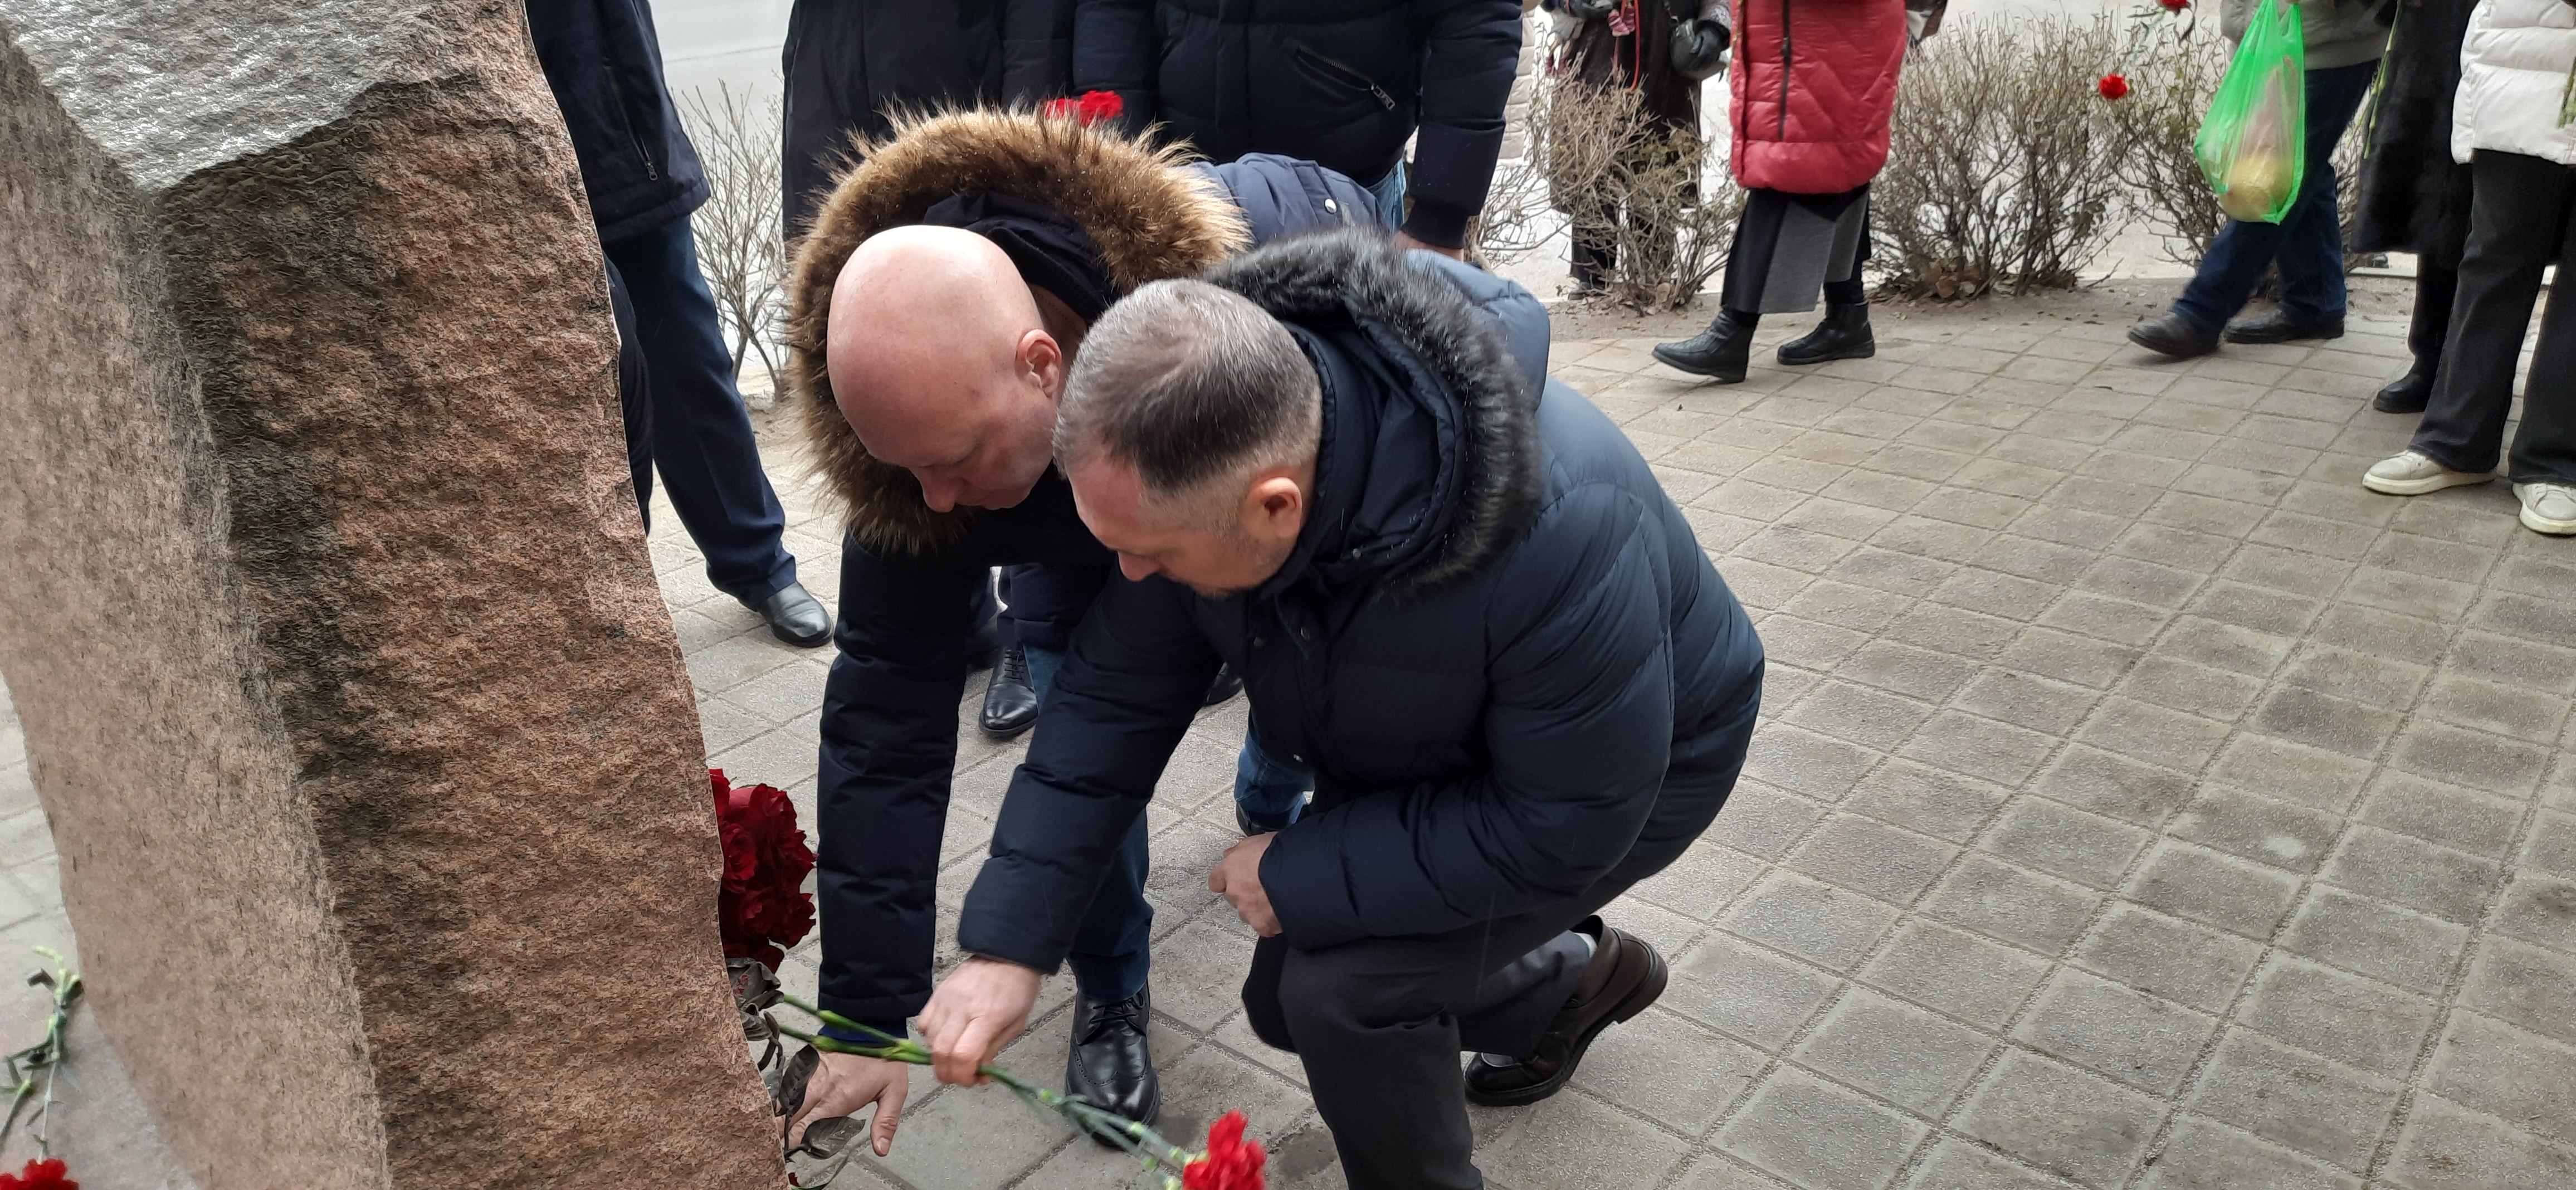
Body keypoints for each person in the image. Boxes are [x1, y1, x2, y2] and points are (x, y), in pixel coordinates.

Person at [918, 231, 1764, 1190]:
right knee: (1283, 996)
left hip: (1638, 768)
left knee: (1341, 994)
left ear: (1275, 507)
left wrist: (1300, 865)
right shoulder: (1200, 463)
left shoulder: (1563, 525)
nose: (1131, 575)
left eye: (1153, 552)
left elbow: (1566, 817)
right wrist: (1010, 945)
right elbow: (1108, 707)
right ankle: (1569, 987)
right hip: (1450, 750)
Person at [776, 109, 1403, 1159]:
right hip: (1061, 508)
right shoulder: (917, 442)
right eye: (907, 470)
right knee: (1080, 712)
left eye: (953, 461)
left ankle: (1276, 775)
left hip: (1242, 477)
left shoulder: (1252, 301)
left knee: (1295, 679)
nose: (935, 504)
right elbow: (887, 721)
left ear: (1041, 363)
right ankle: (1112, 988)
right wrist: (864, 1013)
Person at [525, 0, 830, 647]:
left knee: (690, 365)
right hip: (500, 153)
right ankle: (614, 593)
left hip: (620, 132)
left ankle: (758, 565)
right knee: (574, 398)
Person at [1071, 0, 1524, 259]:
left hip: (1346, 198)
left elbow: (1476, 16)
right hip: (1182, 190)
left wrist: (1439, 221)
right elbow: (1114, 11)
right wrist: (1116, 177)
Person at [2359, 0, 2576, 535]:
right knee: (2493, 258)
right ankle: (2454, 440)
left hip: (2525, 53)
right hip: (2523, 55)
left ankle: (2556, 461)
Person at [1651, 0, 1943, 381]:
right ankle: (1848, 316)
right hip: (1814, 46)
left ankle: (1732, 333)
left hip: (1825, 48)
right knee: (1836, 169)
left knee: (1790, 171)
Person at [2121, 0, 2394, 360]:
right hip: (2269, 35)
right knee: (2301, 170)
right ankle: (2316, 303)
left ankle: (2202, 312)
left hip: (2326, 43)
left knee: (2270, 179)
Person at [781, 0, 1075, 235]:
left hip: (959, 123)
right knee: (833, 281)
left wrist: (1018, 153)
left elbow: (1037, 35)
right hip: (825, 108)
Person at [1548, 0, 1733, 296]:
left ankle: (1652, 274)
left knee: (1659, 163)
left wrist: (1715, 24)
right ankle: (1593, 278)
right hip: (1595, 52)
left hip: (1665, 52)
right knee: (1593, 165)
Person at [2351, 0, 2480, 412]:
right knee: (2439, 214)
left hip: (2522, 55)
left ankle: (2471, 366)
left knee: (2493, 224)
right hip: (2433, 53)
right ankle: (2433, 358)